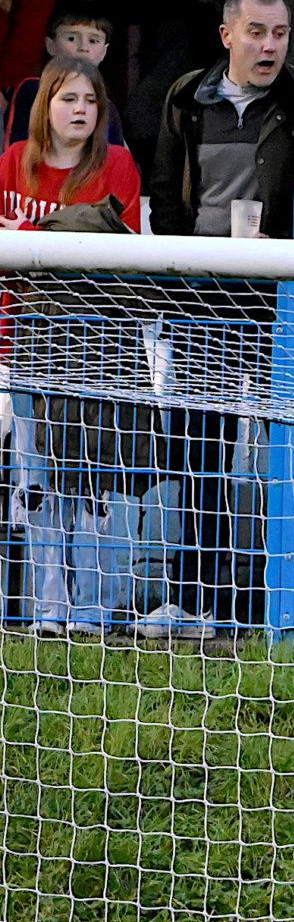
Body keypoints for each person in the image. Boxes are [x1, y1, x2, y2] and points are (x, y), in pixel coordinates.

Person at [145, 0, 294, 643]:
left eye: (280, 33)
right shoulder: (186, 97)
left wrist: (284, 250)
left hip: (281, 296)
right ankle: (197, 592)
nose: (269, 46)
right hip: (205, 294)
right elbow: (165, 196)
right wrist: (181, 279)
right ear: (227, 34)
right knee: (202, 444)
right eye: (256, 32)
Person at [1, 55, 148, 638]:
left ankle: (92, 611)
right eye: (68, 99)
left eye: (89, 100)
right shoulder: (14, 163)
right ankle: (48, 611)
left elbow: (116, 244)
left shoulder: (116, 164)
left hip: (98, 350)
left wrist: (34, 237)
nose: (80, 110)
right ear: (45, 108)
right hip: (25, 345)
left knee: (93, 484)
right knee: (36, 482)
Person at [6, 6, 125, 148]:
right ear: (50, 45)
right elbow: (17, 149)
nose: (83, 47)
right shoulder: (33, 90)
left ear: (104, 52)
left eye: (93, 41)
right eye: (71, 38)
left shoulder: (107, 105)